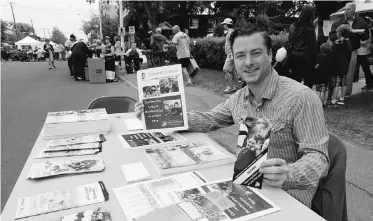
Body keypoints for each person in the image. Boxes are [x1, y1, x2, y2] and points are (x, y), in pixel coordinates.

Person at [135, 24, 329, 208]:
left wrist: (289, 174)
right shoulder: (239, 98)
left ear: (270, 55)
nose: (248, 62)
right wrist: (160, 113)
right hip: (248, 192)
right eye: (240, 56)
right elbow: (208, 119)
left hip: (289, 201)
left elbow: (318, 158)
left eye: (256, 53)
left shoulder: (302, 98)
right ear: (234, 61)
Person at [330, 2, 370, 96]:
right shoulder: (338, 23)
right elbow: (332, 35)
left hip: (353, 51)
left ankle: (346, 94)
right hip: (339, 51)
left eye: (348, 9)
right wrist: (339, 39)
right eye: (345, 9)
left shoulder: (361, 22)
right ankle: (332, 94)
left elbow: (366, 35)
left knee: (350, 72)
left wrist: (361, 34)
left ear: (354, 10)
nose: (346, 11)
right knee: (336, 71)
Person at [288, 3, 317, 88]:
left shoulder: (293, 26)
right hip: (305, 57)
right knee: (308, 82)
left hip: (293, 55)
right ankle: (305, 100)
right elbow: (313, 47)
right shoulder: (310, 29)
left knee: (295, 81)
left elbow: (290, 42)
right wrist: (315, 61)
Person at [329, 25, 352, 106]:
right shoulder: (348, 43)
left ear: (339, 33)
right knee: (344, 83)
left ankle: (334, 99)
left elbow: (334, 55)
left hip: (336, 66)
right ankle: (342, 98)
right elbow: (349, 54)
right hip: (345, 65)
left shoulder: (336, 43)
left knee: (336, 84)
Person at [221, 18, 239, 94]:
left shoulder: (231, 33)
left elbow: (233, 44)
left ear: (227, 25)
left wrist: (232, 55)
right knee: (232, 70)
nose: (223, 25)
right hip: (232, 54)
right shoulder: (231, 32)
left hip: (231, 55)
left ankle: (230, 87)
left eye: (224, 24)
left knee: (225, 70)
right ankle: (236, 86)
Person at [356, 16, 373, 91]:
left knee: (366, 69)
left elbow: (366, 42)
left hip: (362, 53)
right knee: (364, 69)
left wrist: (356, 42)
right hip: (358, 52)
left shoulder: (367, 31)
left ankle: (369, 84)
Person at [314, 42, 333, 106]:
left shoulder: (318, 57)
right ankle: (325, 102)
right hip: (327, 76)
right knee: (326, 89)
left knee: (320, 91)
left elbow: (316, 66)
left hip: (320, 76)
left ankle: (320, 102)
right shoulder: (330, 58)